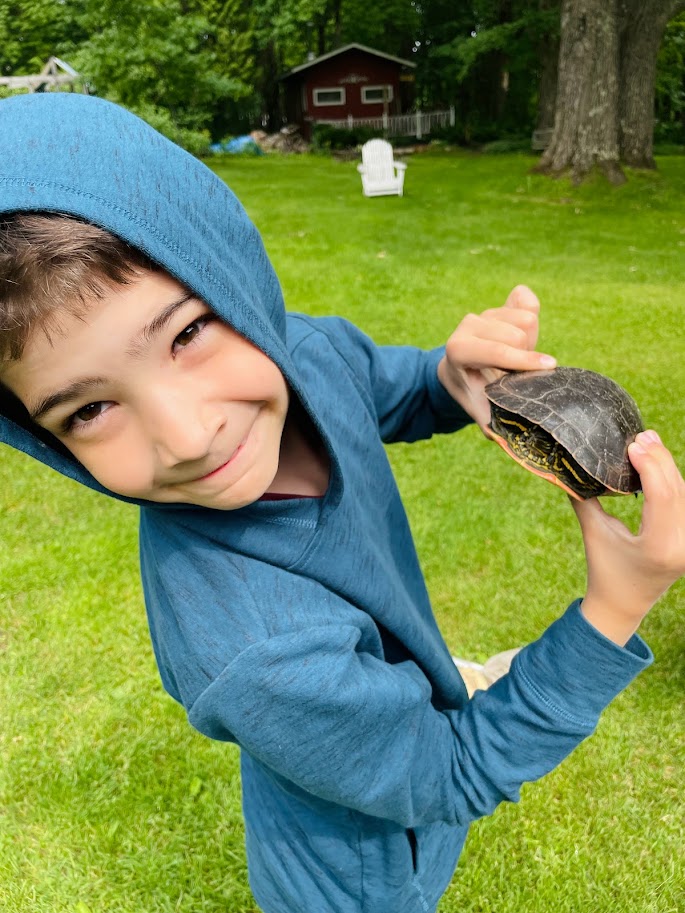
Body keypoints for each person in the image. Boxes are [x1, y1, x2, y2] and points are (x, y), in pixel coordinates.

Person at [0, 93, 683, 913]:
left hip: (392, 745)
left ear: (234, 278)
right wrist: (611, 611)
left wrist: (445, 376)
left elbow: (378, 386)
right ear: (46, 438)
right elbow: (450, 769)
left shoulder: (305, 353)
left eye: (185, 334)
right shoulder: (254, 643)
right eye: (87, 409)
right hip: (354, 880)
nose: (185, 435)